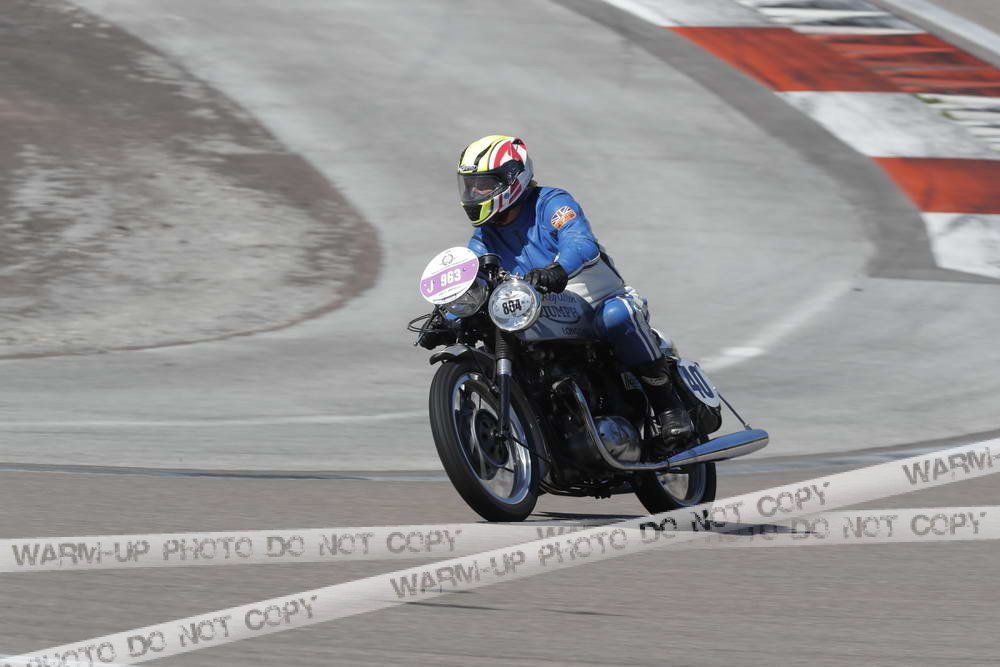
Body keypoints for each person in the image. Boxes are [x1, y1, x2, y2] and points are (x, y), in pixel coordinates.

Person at [421, 134, 693, 452]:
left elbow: (580, 242)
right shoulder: (484, 236)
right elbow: (474, 281)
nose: (474, 194)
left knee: (617, 316)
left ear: (512, 179)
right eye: (470, 186)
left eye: (484, 185)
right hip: (533, 304)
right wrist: (448, 315)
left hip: (590, 295)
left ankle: (669, 407)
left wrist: (558, 269)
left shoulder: (551, 202)